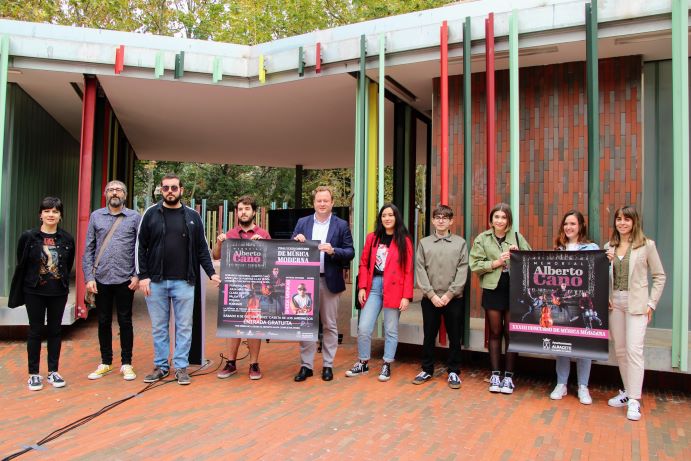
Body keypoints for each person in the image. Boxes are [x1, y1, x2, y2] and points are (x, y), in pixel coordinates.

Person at [136, 173, 221, 385]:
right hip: (155, 281)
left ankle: (181, 367)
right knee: (159, 326)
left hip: (184, 281)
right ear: (161, 190)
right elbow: (140, 247)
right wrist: (143, 276)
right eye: (166, 188)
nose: (170, 191)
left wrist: (211, 273)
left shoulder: (193, 216)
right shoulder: (151, 213)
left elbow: (202, 248)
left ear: (181, 190)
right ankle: (161, 366)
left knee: (184, 326)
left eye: (174, 188)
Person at [605, 205, 665, 421]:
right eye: (619, 219)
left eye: (626, 219)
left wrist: (651, 304)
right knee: (620, 350)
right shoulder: (609, 246)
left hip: (637, 304)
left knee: (634, 350)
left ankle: (635, 400)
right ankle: (628, 392)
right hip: (616, 304)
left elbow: (659, 276)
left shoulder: (646, 245)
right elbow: (602, 278)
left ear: (634, 222)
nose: (622, 223)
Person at [292, 186, 354, 382]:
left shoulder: (341, 225)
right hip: (306, 282)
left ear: (332, 203)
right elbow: (289, 247)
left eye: (326, 200)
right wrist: (296, 241)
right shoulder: (302, 222)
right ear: (314, 203)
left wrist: (333, 250)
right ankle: (306, 366)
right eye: (319, 201)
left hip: (330, 281)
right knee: (307, 323)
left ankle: (328, 365)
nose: (322, 204)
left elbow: (350, 251)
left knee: (330, 325)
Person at [345, 204, 413, 382]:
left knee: (391, 329)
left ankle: (387, 364)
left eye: (391, 215)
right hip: (373, 286)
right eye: (384, 215)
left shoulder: (404, 240)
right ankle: (363, 362)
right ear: (380, 218)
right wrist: (361, 287)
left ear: (396, 217)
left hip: (395, 288)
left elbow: (408, 270)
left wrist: (406, 296)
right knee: (364, 327)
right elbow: (364, 263)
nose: (387, 218)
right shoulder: (373, 238)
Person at [83, 180, 141, 382]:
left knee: (125, 321)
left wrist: (137, 274)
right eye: (111, 190)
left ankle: (127, 363)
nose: (115, 193)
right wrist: (89, 277)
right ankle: (106, 362)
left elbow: (140, 248)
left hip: (126, 278)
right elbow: (88, 248)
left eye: (119, 190)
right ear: (105, 194)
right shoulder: (96, 216)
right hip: (101, 279)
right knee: (103, 321)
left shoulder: (134, 217)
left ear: (125, 195)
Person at [469, 203, 530, 394]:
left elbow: (531, 260)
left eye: (504, 217)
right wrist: (497, 262)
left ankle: (509, 377)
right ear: (491, 219)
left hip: (514, 290)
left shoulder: (517, 237)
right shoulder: (482, 238)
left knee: (511, 333)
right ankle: (495, 374)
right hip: (493, 289)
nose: (500, 221)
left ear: (508, 220)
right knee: (495, 332)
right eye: (497, 217)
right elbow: (475, 265)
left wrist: (517, 253)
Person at [15, 197, 75, 391]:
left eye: (55, 211)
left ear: (60, 216)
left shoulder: (66, 239)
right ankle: (33, 374)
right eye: (47, 211)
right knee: (35, 330)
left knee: (55, 331)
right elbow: (22, 262)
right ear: (40, 214)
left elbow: (68, 263)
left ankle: (53, 371)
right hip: (34, 291)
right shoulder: (29, 237)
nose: (51, 215)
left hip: (58, 291)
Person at [213, 195, 270, 380]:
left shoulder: (263, 234)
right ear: (236, 212)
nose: (243, 212)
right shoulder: (230, 234)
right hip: (235, 287)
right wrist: (220, 242)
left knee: (254, 324)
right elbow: (215, 256)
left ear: (254, 212)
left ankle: (254, 364)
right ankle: (231, 363)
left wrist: (262, 245)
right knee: (233, 324)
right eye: (240, 209)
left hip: (255, 288)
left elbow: (271, 261)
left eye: (247, 209)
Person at [411, 204, 468, 389]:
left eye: (445, 217)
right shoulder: (424, 243)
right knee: (429, 335)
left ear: (451, 221)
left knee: (454, 335)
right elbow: (420, 269)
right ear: (433, 221)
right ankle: (427, 369)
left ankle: (453, 371)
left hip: (453, 299)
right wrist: (431, 294)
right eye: (438, 217)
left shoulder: (460, 243)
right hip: (430, 299)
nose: (441, 220)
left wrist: (450, 294)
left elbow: (462, 270)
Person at [549, 209, 599, 405]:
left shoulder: (591, 247)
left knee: (584, 343)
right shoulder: (558, 249)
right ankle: (561, 384)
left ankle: (583, 386)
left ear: (581, 227)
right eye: (566, 224)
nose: (568, 227)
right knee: (562, 343)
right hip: (565, 305)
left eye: (573, 224)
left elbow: (601, 273)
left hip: (584, 303)